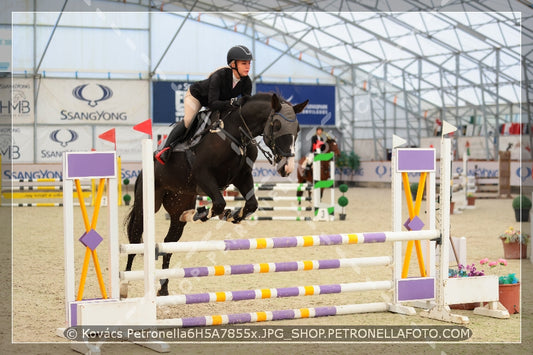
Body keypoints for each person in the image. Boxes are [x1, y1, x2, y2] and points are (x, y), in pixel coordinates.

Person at [155, 45, 253, 164]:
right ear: (233, 64)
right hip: (197, 96)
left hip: (219, 102)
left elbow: (246, 103)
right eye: (244, 63)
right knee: (189, 120)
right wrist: (232, 102)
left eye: (249, 63)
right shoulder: (220, 76)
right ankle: (167, 148)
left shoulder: (247, 82)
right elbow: (212, 104)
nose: (248, 67)